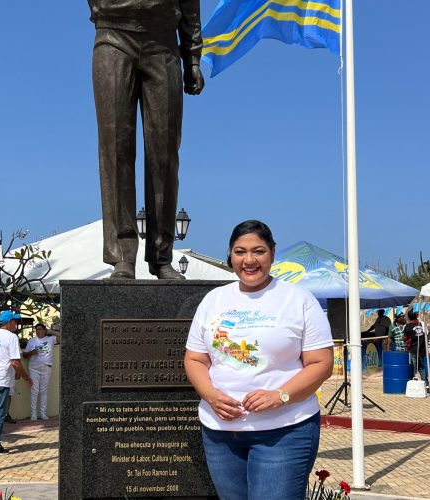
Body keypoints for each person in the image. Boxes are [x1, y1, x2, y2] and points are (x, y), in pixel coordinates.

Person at [184, 220, 334, 499]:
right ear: (230, 255)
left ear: (273, 254)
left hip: (284, 432)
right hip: (220, 433)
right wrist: (211, 396)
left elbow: (321, 363)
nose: (249, 260)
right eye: (240, 252)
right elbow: (195, 358)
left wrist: (281, 396)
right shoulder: (213, 300)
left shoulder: (298, 299)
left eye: (259, 251)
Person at [88, 0, 204, 280]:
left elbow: (190, 5)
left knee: (164, 155)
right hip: (113, 36)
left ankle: (161, 255)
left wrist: (193, 57)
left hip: (163, 42)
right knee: (115, 150)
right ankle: (122, 256)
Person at [0, 310, 32, 456]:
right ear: (9, 322)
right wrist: (27, 378)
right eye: (15, 321)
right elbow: (15, 362)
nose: (16, 324)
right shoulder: (11, 337)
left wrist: (15, 372)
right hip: (2, 379)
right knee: (0, 412)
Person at [23, 323, 61, 421]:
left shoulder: (50, 339)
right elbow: (25, 355)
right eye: (37, 330)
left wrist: (50, 331)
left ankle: (43, 414)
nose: (38, 331)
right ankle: (33, 414)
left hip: (46, 367)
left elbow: (61, 336)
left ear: (44, 330)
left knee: (43, 390)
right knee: (34, 390)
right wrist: (32, 352)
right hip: (34, 368)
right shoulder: (32, 341)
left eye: (40, 329)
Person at [403, 311, 428, 384]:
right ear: (416, 315)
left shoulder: (408, 326)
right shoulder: (422, 324)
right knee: (421, 367)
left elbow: (404, 338)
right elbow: (426, 334)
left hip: (413, 349)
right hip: (422, 349)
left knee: (413, 367)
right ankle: (426, 384)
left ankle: (413, 383)